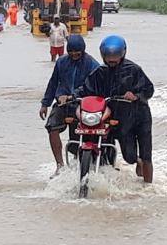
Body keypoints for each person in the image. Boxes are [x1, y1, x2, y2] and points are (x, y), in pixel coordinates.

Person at [77, 35, 155, 183]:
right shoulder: (99, 72)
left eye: (116, 56)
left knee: (146, 155)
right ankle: (132, 162)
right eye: (108, 56)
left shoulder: (134, 69)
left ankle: (149, 189)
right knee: (129, 157)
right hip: (119, 118)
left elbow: (149, 89)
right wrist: (71, 96)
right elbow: (85, 89)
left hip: (140, 117)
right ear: (103, 55)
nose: (112, 59)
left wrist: (136, 96)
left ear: (123, 54)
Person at [40, 35, 100, 177]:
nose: (74, 54)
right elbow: (53, 83)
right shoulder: (61, 62)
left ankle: (84, 161)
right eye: (71, 51)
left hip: (82, 105)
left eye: (77, 52)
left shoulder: (93, 65)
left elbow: (93, 87)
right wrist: (45, 103)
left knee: (76, 139)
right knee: (52, 127)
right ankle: (60, 165)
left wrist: (74, 96)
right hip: (62, 103)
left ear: (83, 50)